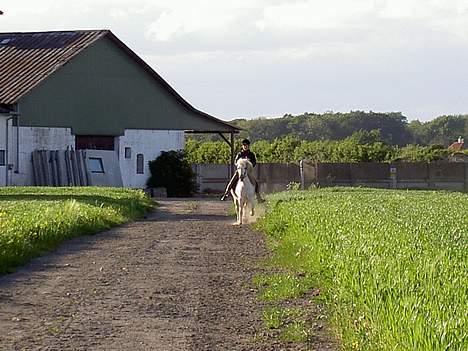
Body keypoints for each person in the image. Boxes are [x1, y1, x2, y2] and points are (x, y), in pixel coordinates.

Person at [220, 138, 265, 203]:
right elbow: (235, 162)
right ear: (242, 146)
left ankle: (258, 197)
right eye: (244, 145)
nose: (245, 146)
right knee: (232, 181)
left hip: (248, 172)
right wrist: (240, 165)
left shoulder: (251, 154)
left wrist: (250, 165)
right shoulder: (240, 154)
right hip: (240, 171)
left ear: (249, 146)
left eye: (246, 145)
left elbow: (254, 162)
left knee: (255, 182)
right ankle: (226, 194)